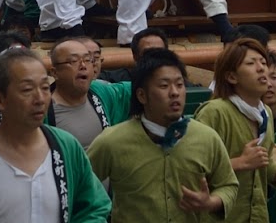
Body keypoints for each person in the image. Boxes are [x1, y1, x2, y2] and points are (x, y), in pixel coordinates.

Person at [0, 47, 111, 223]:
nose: (40, 99)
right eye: (27, 90)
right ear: (0, 100)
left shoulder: (66, 147)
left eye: (45, 88)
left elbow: (94, 206)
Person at [87, 48, 239, 222]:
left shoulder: (207, 137)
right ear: (142, 95)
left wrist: (212, 202)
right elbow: (79, 186)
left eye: (180, 84)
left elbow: (228, 185)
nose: (175, 92)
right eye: (164, 86)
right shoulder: (112, 141)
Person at [193, 38, 276, 223]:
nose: (261, 69)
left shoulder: (264, 111)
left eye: (263, 63)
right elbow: (193, 170)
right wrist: (241, 162)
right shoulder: (214, 112)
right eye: (251, 63)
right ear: (232, 77)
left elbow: (265, 166)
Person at [45, 37, 130, 149]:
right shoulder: (42, 108)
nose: (83, 66)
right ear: (55, 73)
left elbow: (141, 88)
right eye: (74, 61)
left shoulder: (101, 91)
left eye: (88, 60)